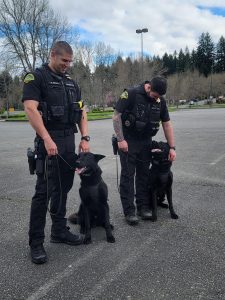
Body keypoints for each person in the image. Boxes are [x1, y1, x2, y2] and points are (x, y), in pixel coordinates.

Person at [22, 41, 90, 264]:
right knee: (43, 193)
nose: (67, 65)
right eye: (64, 61)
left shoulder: (71, 83)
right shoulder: (36, 77)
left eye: (70, 61)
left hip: (69, 142)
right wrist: (47, 138)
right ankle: (36, 243)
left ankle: (59, 231)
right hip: (48, 143)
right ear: (52, 55)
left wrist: (85, 138)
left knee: (63, 188)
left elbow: (81, 111)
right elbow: (30, 109)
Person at [112, 76, 176, 225]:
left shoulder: (160, 101)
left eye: (159, 97)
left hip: (146, 142)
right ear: (148, 88)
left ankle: (143, 207)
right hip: (128, 140)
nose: (156, 99)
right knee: (128, 176)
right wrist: (120, 139)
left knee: (144, 175)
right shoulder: (131, 93)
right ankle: (129, 211)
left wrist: (172, 147)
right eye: (154, 96)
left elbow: (167, 124)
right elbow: (116, 116)